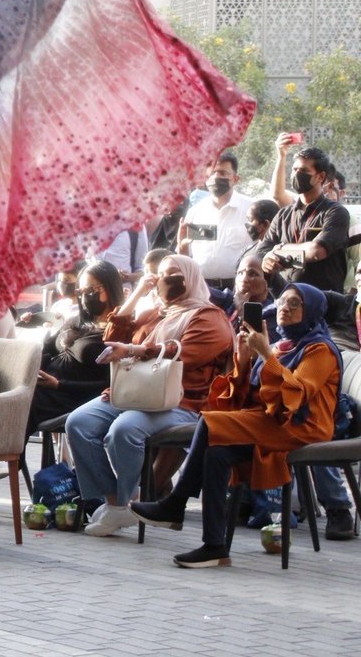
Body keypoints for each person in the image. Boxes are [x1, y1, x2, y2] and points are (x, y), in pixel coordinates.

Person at [131, 283, 342, 567]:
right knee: (216, 454)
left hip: (302, 427)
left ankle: (175, 504)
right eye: (282, 302)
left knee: (209, 421)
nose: (285, 308)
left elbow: (298, 393)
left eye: (296, 304)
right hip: (271, 421)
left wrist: (266, 355)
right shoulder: (282, 346)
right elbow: (252, 393)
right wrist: (245, 359)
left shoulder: (320, 350)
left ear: (312, 311)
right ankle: (214, 546)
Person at [65, 254, 234, 537]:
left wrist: (137, 351)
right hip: (135, 392)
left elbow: (184, 354)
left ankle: (130, 499)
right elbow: (113, 333)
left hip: (181, 400)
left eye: (172, 275)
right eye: (160, 275)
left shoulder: (209, 317)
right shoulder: (155, 312)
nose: (164, 281)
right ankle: (116, 502)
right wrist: (140, 292)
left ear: (190, 278)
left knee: (124, 430)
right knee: (78, 423)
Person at [0, 261, 124, 521]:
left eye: (91, 289)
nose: (83, 295)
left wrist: (59, 384)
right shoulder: (77, 322)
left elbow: (109, 382)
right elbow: (46, 350)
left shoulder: (118, 328)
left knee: (20, 405)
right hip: (44, 386)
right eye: (80, 290)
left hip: (77, 395)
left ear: (108, 288)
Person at [258, 146, 350, 293]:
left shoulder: (335, 212)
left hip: (323, 302)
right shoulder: (283, 215)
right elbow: (262, 252)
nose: (296, 175)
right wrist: (268, 258)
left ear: (320, 177)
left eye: (303, 171)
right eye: (294, 170)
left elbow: (316, 251)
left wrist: (280, 251)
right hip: (285, 300)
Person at [177, 153, 253, 289]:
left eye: (223, 173)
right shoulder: (196, 211)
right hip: (201, 287)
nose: (217, 177)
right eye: (213, 173)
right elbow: (184, 253)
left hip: (237, 288)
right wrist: (181, 246)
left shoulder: (250, 209)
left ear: (236, 178)